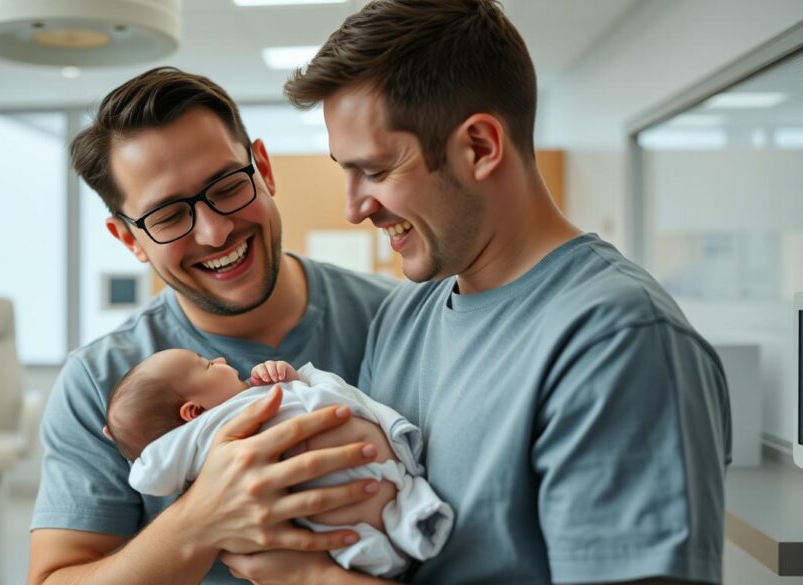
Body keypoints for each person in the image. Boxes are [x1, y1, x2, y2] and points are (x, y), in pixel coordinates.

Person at [218, 1, 732, 584]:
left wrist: (312, 581)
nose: (354, 206)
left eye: (378, 170)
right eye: (346, 170)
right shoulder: (405, 317)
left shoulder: (618, 341)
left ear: (481, 147)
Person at [27, 67, 398, 585]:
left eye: (226, 186)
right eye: (166, 216)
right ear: (129, 239)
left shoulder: (399, 320)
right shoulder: (101, 381)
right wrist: (198, 519)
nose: (215, 230)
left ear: (263, 169)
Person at [103, 350, 454, 578]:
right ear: (195, 411)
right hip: (341, 526)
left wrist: (288, 376)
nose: (222, 360)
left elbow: (305, 391)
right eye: (207, 365)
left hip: (383, 481)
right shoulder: (209, 441)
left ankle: (408, 520)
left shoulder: (254, 393)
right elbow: (155, 471)